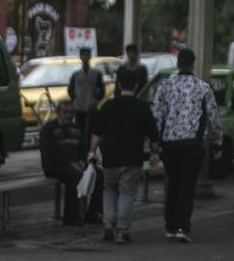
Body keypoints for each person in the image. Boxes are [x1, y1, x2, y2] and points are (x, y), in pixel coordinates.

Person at [152, 48, 221, 243]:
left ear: (177, 63)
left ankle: (170, 225)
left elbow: (157, 116)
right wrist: (217, 143)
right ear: (193, 63)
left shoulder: (165, 86)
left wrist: (155, 143)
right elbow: (213, 117)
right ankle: (183, 226)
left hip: (170, 144)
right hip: (192, 143)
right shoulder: (202, 87)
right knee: (187, 185)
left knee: (172, 183)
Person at [88, 71, 161, 244]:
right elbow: (153, 135)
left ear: (119, 85)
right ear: (136, 86)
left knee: (110, 191)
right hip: (132, 158)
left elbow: (96, 134)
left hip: (110, 158)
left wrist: (92, 152)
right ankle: (122, 231)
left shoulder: (108, 106)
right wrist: (155, 153)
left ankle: (108, 225)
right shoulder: (142, 107)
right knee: (127, 194)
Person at [40, 100, 102, 226]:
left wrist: (82, 161)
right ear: (58, 113)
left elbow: (82, 148)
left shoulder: (76, 128)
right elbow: (50, 153)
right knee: (75, 176)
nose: (69, 115)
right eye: (65, 112)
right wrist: (70, 163)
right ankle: (70, 216)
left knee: (99, 174)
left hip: (74, 164)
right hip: (55, 166)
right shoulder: (49, 129)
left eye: (71, 113)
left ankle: (93, 212)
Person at [67, 47, 105, 150]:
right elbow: (70, 90)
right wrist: (75, 101)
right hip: (79, 108)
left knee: (90, 133)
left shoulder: (96, 74)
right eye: (83, 55)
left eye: (87, 55)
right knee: (80, 132)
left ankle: (90, 153)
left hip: (91, 108)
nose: (85, 57)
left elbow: (102, 90)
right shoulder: (76, 75)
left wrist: (95, 100)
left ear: (90, 57)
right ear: (80, 57)